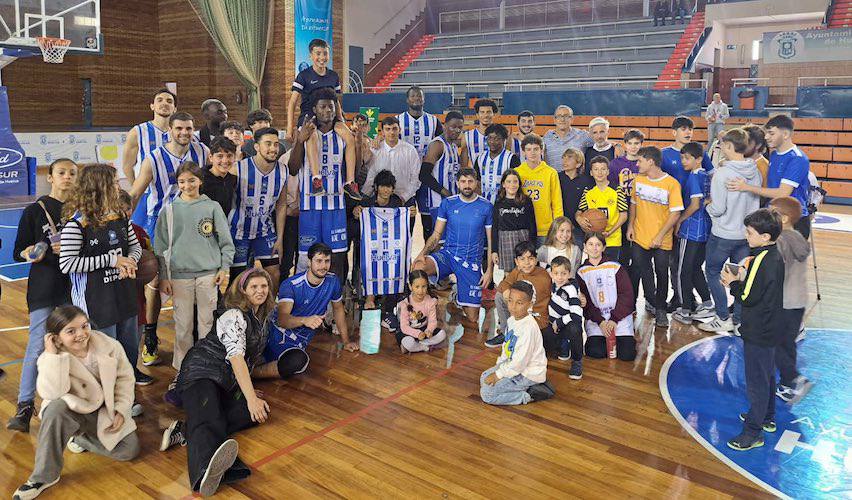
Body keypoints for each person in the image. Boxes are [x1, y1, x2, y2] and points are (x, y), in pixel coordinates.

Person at [160, 268, 277, 496]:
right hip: (201, 372)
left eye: (264, 286)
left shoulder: (262, 316)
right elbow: (236, 359)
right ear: (242, 290)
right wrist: (251, 396)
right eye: (254, 286)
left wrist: (249, 396)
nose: (260, 291)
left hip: (225, 380)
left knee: (253, 414)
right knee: (211, 414)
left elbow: (248, 359)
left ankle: (185, 429)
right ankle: (204, 472)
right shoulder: (232, 315)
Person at [12, 306, 139, 500]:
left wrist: (121, 409)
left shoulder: (110, 345)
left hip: (104, 411)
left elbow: (125, 380)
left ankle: (78, 438)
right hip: (70, 410)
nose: (81, 334)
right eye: (71, 331)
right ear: (56, 337)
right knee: (55, 408)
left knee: (129, 450)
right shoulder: (49, 357)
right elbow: (52, 392)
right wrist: (54, 357)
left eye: (84, 326)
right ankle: (43, 476)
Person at [129, 111, 209, 365]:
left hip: (193, 226)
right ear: (170, 131)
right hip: (161, 226)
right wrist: (122, 221)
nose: (185, 133)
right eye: (179, 129)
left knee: (194, 281)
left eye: (189, 129)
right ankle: (150, 339)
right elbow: (136, 193)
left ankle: (195, 339)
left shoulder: (203, 151)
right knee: (154, 283)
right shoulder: (154, 158)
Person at [59, 164, 149, 386]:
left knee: (128, 349)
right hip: (96, 301)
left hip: (124, 293)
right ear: (100, 187)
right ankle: (103, 401)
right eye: (114, 182)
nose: (118, 186)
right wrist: (112, 260)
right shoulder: (77, 224)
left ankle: (126, 397)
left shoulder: (119, 216)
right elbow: (67, 263)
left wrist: (131, 260)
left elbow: (135, 247)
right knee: (104, 355)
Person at [7, 159, 78, 433]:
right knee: (38, 345)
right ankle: (25, 406)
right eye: (62, 173)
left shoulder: (81, 210)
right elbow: (18, 251)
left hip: (75, 285)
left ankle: (71, 403)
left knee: (75, 345)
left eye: (72, 173)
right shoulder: (34, 211)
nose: (67, 177)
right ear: (50, 177)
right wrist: (31, 253)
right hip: (45, 287)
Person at [154, 161, 235, 370]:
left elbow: (226, 242)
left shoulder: (212, 207)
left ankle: (206, 364)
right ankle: (183, 368)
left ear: (200, 181)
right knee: (183, 325)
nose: (187, 185)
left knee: (207, 323)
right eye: (182, 181)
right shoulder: (169, 210)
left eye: (191, 180)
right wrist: (164, 276)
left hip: (208, 273)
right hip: (180, 275)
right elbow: (160, 247)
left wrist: (224, 268)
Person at [721, 209, 785, 451]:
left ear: (765, 236)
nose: (746, 236)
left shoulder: (760, 260)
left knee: (756, 381)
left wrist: (732, 284)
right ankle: (767, 417)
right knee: (766, 373)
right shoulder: (775, 255)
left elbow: (747, 296)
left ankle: (752, 432)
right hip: (771, 326)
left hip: (758, 328)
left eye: (750, 233)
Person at [258, 243, 358, 380]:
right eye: (319, 261)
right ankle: (252, 374)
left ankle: (253, 373)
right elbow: (282, 320)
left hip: (299, 343)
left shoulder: (333, 281)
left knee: (298, 363)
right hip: (275, 335)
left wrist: (346, 341)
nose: (323, 266)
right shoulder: (291, 285)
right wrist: (305, 320)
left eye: (327, 261)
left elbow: (338, 309)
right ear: (309, 261)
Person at [700, 129, 761, 334]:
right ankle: (738, 320)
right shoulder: (755, 171)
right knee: (740, 276)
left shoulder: (723, 173)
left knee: (713, 272)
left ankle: (722, 316)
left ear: (728, 146)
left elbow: (718, 208)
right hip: (746, 235)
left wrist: (707, 205)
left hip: (723, 234)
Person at [413, 168, 493, 325]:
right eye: (463, 181)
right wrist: (422, 253)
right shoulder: (448, 203)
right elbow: (436, 235)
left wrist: (489, 271)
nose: (467, 185)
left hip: (471, 262)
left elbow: (491, 242)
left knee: (473, 318)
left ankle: (457, 296)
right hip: (448, 255)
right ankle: (426, 305)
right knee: (418, 267)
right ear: (457, 183)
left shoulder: (486, 207)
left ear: (476, 183)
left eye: (470, 181)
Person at [287, 88, 350, 282]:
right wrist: (300, 141)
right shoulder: (305, 132)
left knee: (337, 257)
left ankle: (335, 300)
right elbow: (293, 168)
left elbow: (351, 169)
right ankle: (305, 299)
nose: (327, 110)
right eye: (322, 106)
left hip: (335, 206)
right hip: (310, 207)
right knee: (308, 258)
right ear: (314, 109)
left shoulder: (343, 134)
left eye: (331, 106)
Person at [288, 38, 359, 200]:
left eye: (325, 53)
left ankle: (349, 181)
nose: (322, 57)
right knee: (311, 135)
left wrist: (342, 122)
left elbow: (337, 102)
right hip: (309, 118)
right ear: (311, 56)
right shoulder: (304, 76)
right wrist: (290, 127)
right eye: (318, 53)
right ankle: (316, 178)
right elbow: (292, 102)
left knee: (350, 137)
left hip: (331, 117)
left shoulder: (333, 76)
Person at [728, 115, 812, 239]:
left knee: (787, 257)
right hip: (774, 216)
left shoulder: (797, 159)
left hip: (792, 219)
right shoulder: (775, 154)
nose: (766, 137)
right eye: (767, 133)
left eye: (771, 134)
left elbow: (783, 193)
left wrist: (746, 187)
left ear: (785, 134)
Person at [626, 146, 683, 327]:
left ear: (650, 162)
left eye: (640, 161)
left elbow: (675, 214)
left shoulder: (672, 184)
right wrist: (630, 226)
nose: (637, 164)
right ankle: (651, 300)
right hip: (640, 236)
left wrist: (659, 236)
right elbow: (633, 205)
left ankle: (660, 310)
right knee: (642, 270)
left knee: (662, 274)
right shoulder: (638, 180)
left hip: (662, 240)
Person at [662, 116, 714, 311]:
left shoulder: (699, 153)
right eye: (683, 128)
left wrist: (710, 198)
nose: (688, 132)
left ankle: (687, 300)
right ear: (674, 132)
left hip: (692, 216)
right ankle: (679, 296)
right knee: (674, 260)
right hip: (671, 213)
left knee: (687, 262)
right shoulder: (665, 154)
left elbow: (712, 177)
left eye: (690, 129)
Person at [768, 197, 814, 403]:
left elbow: (776, 273)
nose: (768, 215)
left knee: (778, 343)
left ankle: (794, 379)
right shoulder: (797, 236)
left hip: (783, 301)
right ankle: (788, 385)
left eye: (771, 212)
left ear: (784, 218)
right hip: (798, 300)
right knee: (787, 343)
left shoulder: (781, 241)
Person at [480, 281, 554, 406]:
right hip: (514, 365)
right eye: (510, 301)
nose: (513, 306)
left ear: (530, 304)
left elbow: (520, 362)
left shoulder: (529, 328)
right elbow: (507, 345)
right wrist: (500, 366)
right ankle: (514, 387)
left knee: (487, 394)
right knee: (484, 378)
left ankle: (529, 394)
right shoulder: (512, 320)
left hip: (527, 373)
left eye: (519, 303)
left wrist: (498, 375)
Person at [229, 127, 288, 285]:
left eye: (276, 144)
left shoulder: (283, 171)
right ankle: (237, 310)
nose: (273, 148)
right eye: (268, 144)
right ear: (256, 146)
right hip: (239, 232)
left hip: (265, 232)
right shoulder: (238, 168)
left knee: (274, 273)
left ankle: (267, 310)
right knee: (238, 280)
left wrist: (280, 238)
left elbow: (282, 205)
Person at [353, 169, 406, 326]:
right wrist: (356, 212)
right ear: (376, 187)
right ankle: (370, 296)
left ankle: (391, 299)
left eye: (389, 187)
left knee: (396, 261)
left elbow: (402, 222)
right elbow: (356, 219)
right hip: (372, 247)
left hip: (390, 246)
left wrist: (408, 213)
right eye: (383, 186)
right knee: (369, 260)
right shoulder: (367, 203)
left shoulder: (397, 202)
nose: (386, 190)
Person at [671, 142, 715, 324]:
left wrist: (680, 220)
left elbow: (695, 204)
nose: (683, 161)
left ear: (699, 159)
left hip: (691, 230)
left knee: (682, 270)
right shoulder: (706, 175)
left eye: (687, 158)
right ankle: (706, 303)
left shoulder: (694, 176)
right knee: (696, 268)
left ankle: (685, 310)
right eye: (681, 158)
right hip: (705, 229)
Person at [576, 233, 636, 361]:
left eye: (598, 245)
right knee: (595, 352)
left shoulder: (615, 267)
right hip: (597, 320)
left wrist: (614, 319)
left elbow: (627, 295)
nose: (594, 248)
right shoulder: (581, 272)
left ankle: (625, 339)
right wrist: (601, 322)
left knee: (627, 355)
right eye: (590, 244)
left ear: (604, 247)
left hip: (618, 319)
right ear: (584, 247)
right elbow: (586, 304)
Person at [122, 88, 176, 227]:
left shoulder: (179, 133)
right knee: (142, 236)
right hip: (147, 194)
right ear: (152, 106)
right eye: (160, 100)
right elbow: (127, 166)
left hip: (173, 194)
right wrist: (137, 188)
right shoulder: (138, 131)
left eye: (169, 101)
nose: (164, 103)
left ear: (175, 108)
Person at [397, 86, 443, 240]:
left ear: (424, 99)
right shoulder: (398, 120)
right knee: (406, 221)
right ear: (407, 99)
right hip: (404, 177)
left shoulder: (434, 121)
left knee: (428, 223)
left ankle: (427, 261)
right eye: (413, 96)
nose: (416, 98)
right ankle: (405, 260)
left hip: (426, 178)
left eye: (419, 96)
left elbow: (441, 143)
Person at [487, 241, 552, 349]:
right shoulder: (517, 271)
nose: (527, 263)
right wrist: (506, 289)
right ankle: (505, 333)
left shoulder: (544, 275)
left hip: (537, 319)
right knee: (500, 295)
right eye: (522, 259)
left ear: (535, 260)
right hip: (521, 315)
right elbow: (503, 284)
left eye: (530, 258)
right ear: (517, 262)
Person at [418, 111, 469, 241]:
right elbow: (424, 175)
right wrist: (444, 192)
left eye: (460, 127)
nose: (457, 130)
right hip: (439, 203)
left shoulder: (452, 145)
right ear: (445, 125)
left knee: (450, 242)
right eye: (453, 127)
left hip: (451, 201)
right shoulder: (437, 145)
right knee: (438, 243)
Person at [362, 116, 420, 213]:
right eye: (388, 129)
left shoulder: (410, 150)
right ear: (382, 132)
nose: (392, 132)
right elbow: (371, 176)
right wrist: (364, 198)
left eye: (394, 129)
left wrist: (404, 198)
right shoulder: (375, 150)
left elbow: (416, 178)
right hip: (380, 202)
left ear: (400, 130)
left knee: (405, 228)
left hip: (405, 200)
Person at [577, 155, 628, 261]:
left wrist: (611, 232)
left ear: (608, 171)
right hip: (593, 240)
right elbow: (579, 212)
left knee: (611, 271)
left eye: (603, 169)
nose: (599, 172)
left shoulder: (617, 190)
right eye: (596, 169)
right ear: (591, 172)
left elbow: (624, 215)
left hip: (612, 239)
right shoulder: (588, 191)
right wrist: (579, 219)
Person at [516, 133, 563, 242]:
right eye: (528, 149)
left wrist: (558, 226)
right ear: (523, 152)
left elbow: (557, 202)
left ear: (541, 150)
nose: (532, 152)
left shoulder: (550, 172)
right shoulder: (517, 172)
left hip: (545, 228)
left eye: (536, 149)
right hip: (523, 226)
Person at [491, 169, 537, 273]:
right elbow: (495, 227)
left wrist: (532, 246)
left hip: (523, 238)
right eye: (509, 181)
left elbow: (532, 225)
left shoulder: (526, 201)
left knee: (524, 269)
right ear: (503, 184)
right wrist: (494, 250)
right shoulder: (499, 202)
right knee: (509, 273)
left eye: (515, 181)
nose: (512, 185)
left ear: (519, 184)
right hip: (505, 239)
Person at [609, 129, 644, 268]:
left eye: (637, 143)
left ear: (641, 144)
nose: (633, 146)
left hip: (641, 210)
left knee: (637, 250)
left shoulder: (644, 163)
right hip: (621, 210)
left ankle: (635, 278)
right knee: (622, 248)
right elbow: (610, 187)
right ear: (624, 145)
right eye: (630, 143)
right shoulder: (616, 164)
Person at [548, 255, 584, 378]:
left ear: (569, 274)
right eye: (556, 273)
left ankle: (577, 361)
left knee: (575, 329)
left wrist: (559, 322)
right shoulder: (553, 285)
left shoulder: (571, 290)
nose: (559, 277)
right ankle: (563, 346)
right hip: (554, 323)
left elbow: (576, 315)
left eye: (563, 273)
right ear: (551, 274)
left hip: (567, 323)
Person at [396, 270, 447, 353]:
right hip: (408, 331)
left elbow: (432, 321)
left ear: (427, 286)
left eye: (424, 286)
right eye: (417, 287)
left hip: (424, 330)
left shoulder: (431, 302)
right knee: (408, 342)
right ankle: (421, 347)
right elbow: (404, 327)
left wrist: (429, 331)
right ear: (410, 286)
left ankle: (420, 345)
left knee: (442, 334)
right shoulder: (405, 303)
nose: (421, 291)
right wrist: (417, 334)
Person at [474, 123, 521, 205]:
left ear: (504, 140)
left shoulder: (511, 158)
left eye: (497, 139)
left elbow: (517, 183)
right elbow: (477, 181)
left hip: (505, 206)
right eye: (490, 138)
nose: (492, 142)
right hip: (484, 204)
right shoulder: (480, 158)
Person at [559, 148, 595, 247]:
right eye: (564, 158)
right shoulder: (557, 178)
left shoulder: (587, 181)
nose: (565, 161)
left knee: (576, 257)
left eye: (569, 158)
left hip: (579, 227)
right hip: (560, 226)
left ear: (578, 164)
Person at [543, 105, 593, 171]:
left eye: (566, 116)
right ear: (554, 120)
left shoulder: (582, 135)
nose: (562, 119)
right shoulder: (547, 136)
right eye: (559, 116)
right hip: (553, 179)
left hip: (575, 179)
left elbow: (601, 143)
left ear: (572, 119)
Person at [201, 136, 238, 217]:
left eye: (229, 156)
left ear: (235, 157)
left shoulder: (233, 180)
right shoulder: (199, 179)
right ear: (211, 157)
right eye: (220, 156)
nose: (225, 161)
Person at [464, 99, 498, 164]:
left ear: (494, 114)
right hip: (476, 174)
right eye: (482, 112)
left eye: (488, 112)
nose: (485, 115)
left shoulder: (504, 136)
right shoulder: (467, 136)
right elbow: (464, 165)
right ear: (477, 115)